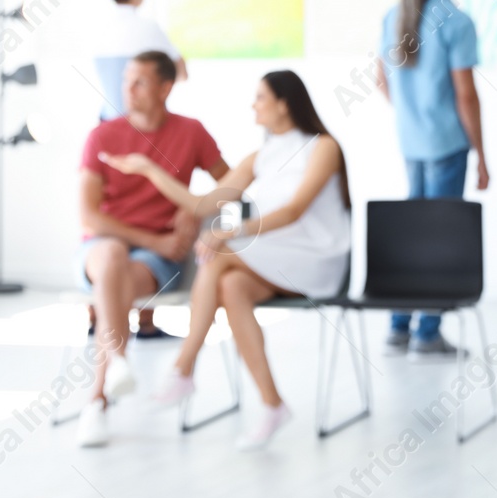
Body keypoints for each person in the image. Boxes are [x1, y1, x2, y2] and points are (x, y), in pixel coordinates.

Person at [100, 69, 352, 451]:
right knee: (231, 287)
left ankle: (184, 366)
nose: (253, 105)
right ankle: (272, 404)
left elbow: (295, 212)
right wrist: (149, 169)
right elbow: (203, 203)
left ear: (284, 104)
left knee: (217, 252)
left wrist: (231, 231)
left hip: (318, 258)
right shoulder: (260, 157)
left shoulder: (323, 147)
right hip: (276, 258)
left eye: (261, 97)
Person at [74, 50, 229, 448]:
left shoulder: (191, 132)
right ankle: (109, 377)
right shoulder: (102, 136)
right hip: (105, 247)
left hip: (156, 261)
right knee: (110, 256)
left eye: (140, 81)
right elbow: (88, 216)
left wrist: (193, 209)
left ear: (166, 86)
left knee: (118, 274)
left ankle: (99, 397)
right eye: (126, 80)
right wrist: (152, 238)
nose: (129, 90)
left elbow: (232, 188)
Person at [374, 0, 487, 357]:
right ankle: (428, 333)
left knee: (411, 233)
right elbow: (466, 96)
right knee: (440, 237)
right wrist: (481, 154)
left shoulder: (395, 14)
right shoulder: (456, 20)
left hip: (412, 141)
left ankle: (399, 327)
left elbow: (381, 77)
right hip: (447, 143)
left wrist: (408, 112)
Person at [91, 0, 188, 339]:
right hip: (143, 135)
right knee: (150, 209)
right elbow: (178, 70)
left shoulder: (101, 30)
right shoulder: (148, 29)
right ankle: (145, 320)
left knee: (105, 218)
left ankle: (96, 315)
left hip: (104, 127)